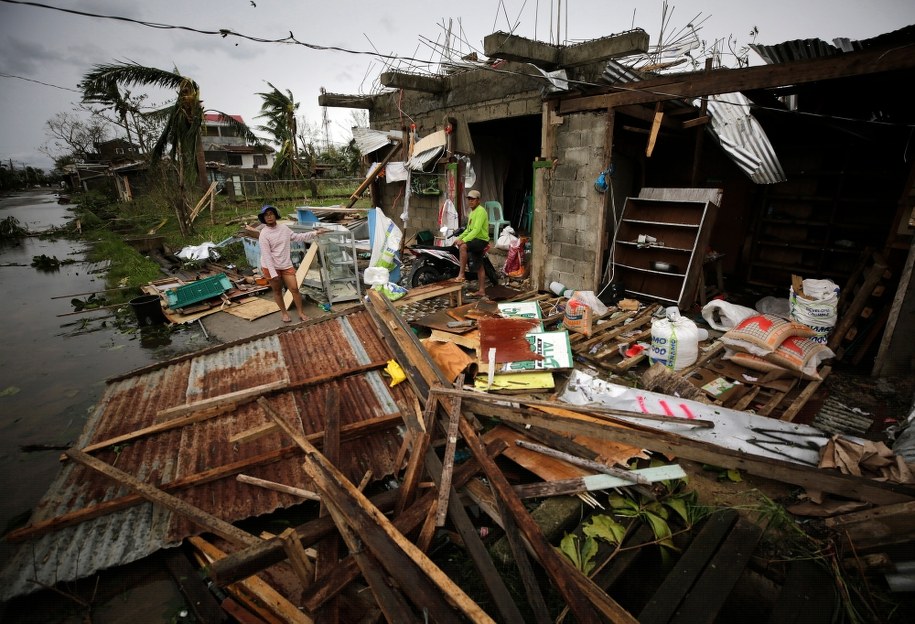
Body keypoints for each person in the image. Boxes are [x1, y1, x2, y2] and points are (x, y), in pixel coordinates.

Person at [257, 205, 329, 322]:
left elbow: (297, 237)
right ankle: (284, 313)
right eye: (266, 215)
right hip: (270, 266)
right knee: (277, 291)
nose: (269, 217)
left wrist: (316, 232)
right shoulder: (264, 234)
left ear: (275, 215)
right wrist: (273, 273)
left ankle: (301, 313)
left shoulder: (284, 228)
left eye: (271, 214)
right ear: (263, 218)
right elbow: (266, 255)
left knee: (294, 289)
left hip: (285, 264)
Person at [455, 189, 490, 296]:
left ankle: (462, 274)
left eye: (473, 199)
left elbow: (476, 230)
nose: (470, 201)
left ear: (478, 200)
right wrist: (459, 238)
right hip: (475, 239)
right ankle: (482, 291)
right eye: (469, 199)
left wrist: (463, 240)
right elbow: (468, 229)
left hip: (481, 240)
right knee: (479, 266)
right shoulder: (472, 212)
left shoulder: (481, 211)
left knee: (463, 247)